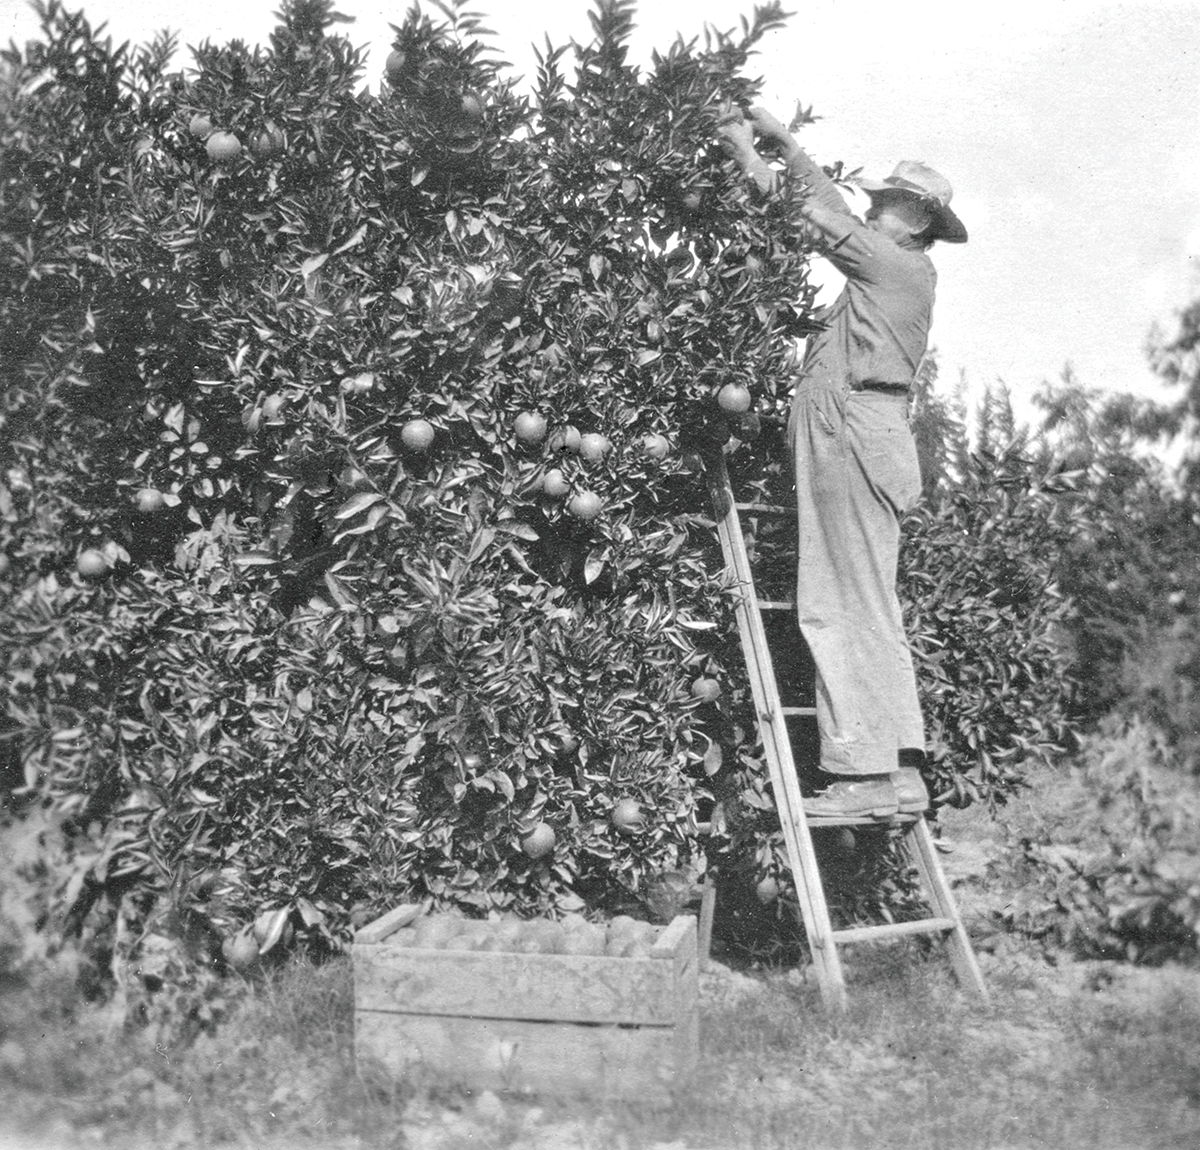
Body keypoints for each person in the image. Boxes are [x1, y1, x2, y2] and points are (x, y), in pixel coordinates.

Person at [719, 106, 968, 819]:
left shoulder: (892, 264)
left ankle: (860, 776)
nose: (874, 209)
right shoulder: (894, 264)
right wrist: (788, 145)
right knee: (869, 603)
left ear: (917, 222)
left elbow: (823, 223)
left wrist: (748, 156)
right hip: (869, 428)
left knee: (833, 602)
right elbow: (833, 211)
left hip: (851, 429)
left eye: (887, 204)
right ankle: (904, 773)